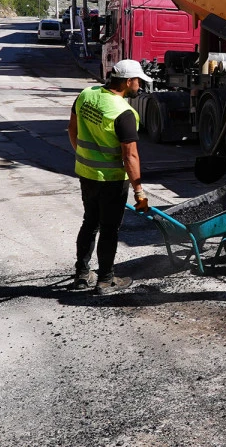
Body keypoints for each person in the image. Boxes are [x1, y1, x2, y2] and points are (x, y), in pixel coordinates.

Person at [68, 59, 151, 294]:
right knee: (109, 229)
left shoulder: (86, 95)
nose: (140, 86)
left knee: (89, 223)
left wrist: (84, 156)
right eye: (138, 82)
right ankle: (105, 280)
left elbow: (72, 129)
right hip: (112, 181)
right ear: (128, 81)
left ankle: (82, 275)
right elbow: (130, 157)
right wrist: (139, 192)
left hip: (86, 174)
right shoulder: (124, 113)